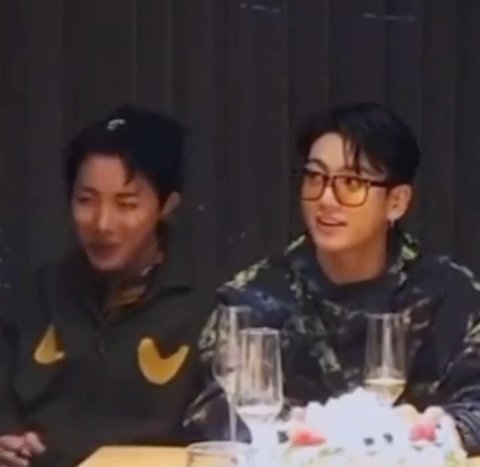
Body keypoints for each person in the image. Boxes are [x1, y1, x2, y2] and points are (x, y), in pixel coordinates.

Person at [194, 102, 480, 455]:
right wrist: (285, 429)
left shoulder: (449, 294)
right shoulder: (254, 297)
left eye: (351, 182)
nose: (326, 199)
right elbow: (209, 408)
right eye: (315, 177)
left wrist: (446, 429)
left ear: (396, 201)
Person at [0, 105, 213, 466]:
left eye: (126, 204)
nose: (102, 224)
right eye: (86, 201)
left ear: (167, 205)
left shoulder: (207, 306)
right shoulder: (36, 295)